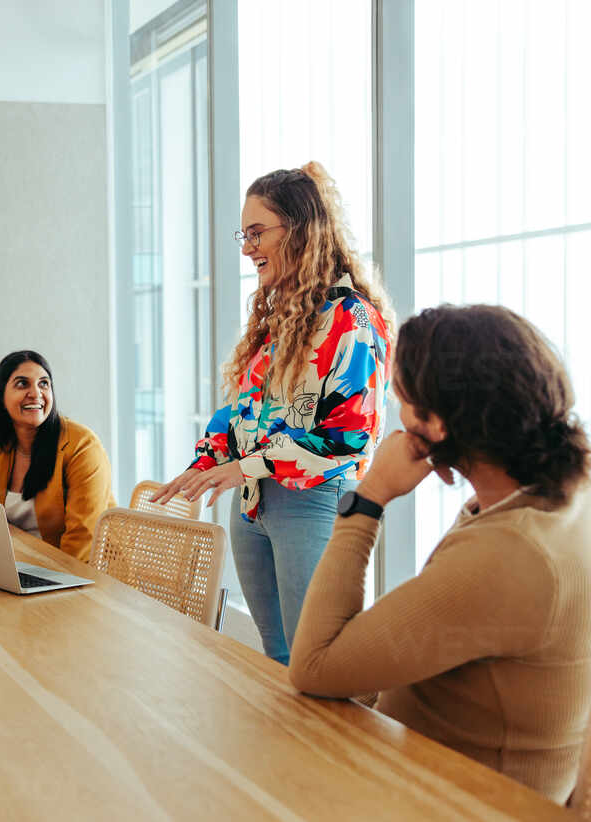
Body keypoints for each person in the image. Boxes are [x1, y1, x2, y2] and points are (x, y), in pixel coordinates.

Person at [289, 305, 591, 802]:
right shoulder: (551, 498)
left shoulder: (510, 553)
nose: (393, 411)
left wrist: (368, 498)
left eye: (401, 397)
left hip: (446, 799)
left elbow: (314, 665)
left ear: (439, 423)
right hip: (435, 773)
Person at [152, 163, 394, 664]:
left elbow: (348, 437)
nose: (247, 248)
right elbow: (240, 413)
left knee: (320, 663)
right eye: (245, 234)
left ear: (301, 231)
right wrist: (203, 464)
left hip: (311, 503)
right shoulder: (279, 320)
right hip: (253, 506)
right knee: (277, 659)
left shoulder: (351, 321)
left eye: (257, 233)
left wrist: (244, 466)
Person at [0, 350, 114, 562]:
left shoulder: (82, 446)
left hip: (85, 578)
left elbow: (81, 548)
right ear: (1, 396)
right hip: (18, 567)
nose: (36, 393)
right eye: (22, 384)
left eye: (44, 384)